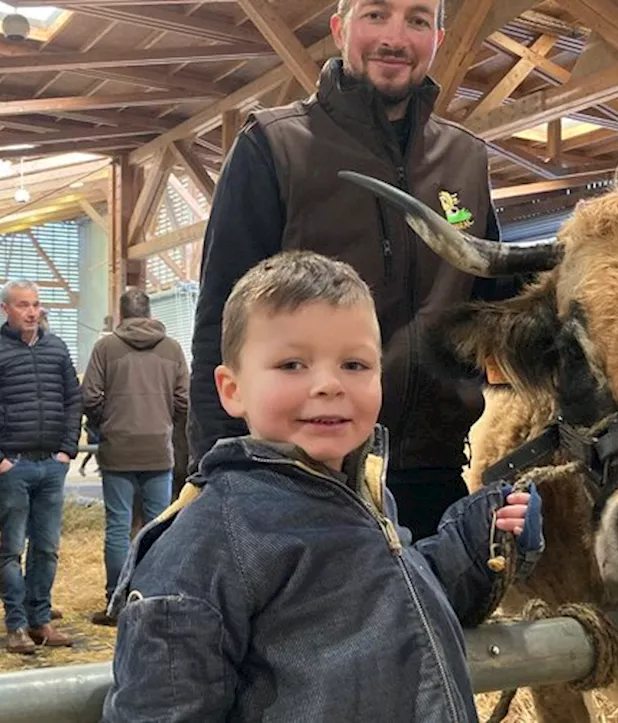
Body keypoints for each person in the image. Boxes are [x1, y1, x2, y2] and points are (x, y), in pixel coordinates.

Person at [102, 251, 543, 721]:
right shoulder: (210, 540)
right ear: (232, 390)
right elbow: (163, 707)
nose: (329, 385)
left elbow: (399, 604)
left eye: (355, 365)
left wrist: (477, 544)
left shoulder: (367, 495)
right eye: (292, 365)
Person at [187, 0, 527, 542]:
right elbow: (219, 326)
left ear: (437, 37)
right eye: (376, 15)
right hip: (302, 473)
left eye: (417, 20)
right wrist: (213, 474)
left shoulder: (464, 158)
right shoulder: (274, 145)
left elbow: (498, 307)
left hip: (431, 475)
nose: (396, 37)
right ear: (340, 29)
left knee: (437, 622)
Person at [0, 279, 82, 654]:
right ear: (5, 309)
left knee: (46, 547)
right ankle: (15, 624)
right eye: (23, 305)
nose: (31, 312)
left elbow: (72, 400)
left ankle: (40, 620)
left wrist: (66, 450)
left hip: (51, 465)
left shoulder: (57, 349)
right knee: (12, 548)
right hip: (13, 467)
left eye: (36, 305)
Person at [79, 288, 188, 626]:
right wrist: (162, 420)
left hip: (118, 449)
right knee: (159, 527)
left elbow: (90, 397)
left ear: (121, 314)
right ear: (150, 312)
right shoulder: (172, 348)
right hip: (159, 449)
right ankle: (153, 597)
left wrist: (106, 423)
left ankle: (117, 601)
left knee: (118, 527)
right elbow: (184, 400)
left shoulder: (105, 348)